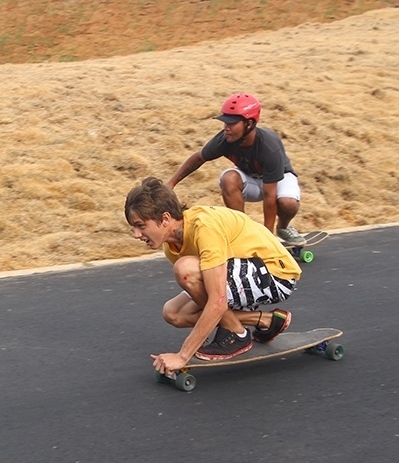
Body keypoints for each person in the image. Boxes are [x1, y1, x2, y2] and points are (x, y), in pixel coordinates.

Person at [124, 177, 302, 375]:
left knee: (186, 270)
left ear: (165, 219)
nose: (136, 234)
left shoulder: (204, 227)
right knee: (173, 312)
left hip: (277, 276)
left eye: (141, 225)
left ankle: (237, 335)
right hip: (244, 277)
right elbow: (210, 293)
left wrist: (183, 356)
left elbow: (217, 301)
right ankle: (264, 320)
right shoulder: (171, 247)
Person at [166, 93, 307, 246]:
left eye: (232, 124)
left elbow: (269, 196)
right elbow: (199, 158)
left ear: (249, 124)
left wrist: (268, 239)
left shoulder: (269, 147)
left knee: (288, 203)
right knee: (228, 179)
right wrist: (171, 184)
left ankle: (283, 228)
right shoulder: (224, 139)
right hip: (252, 178)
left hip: (280, 178)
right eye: (225, 123)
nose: (226, 128)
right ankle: (242, 232)